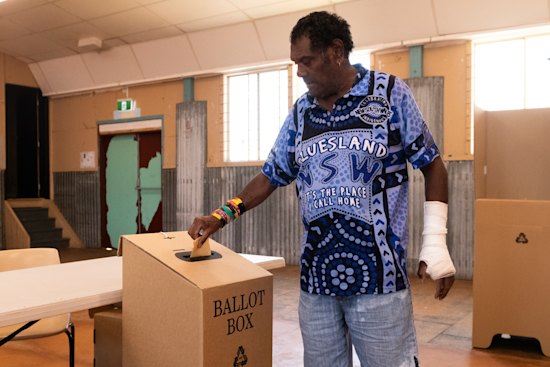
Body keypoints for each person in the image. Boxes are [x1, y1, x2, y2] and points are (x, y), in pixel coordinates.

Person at [188, 10, 456, 367]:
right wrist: (222, 214)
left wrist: (435, 241)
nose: (299, 72)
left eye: (307, 61)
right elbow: (271, 175)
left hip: (378, 283)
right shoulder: (301, 113)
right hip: (316, 284)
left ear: (336, 51)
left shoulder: (389, 94)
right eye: (295, 63)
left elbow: (432, 163)